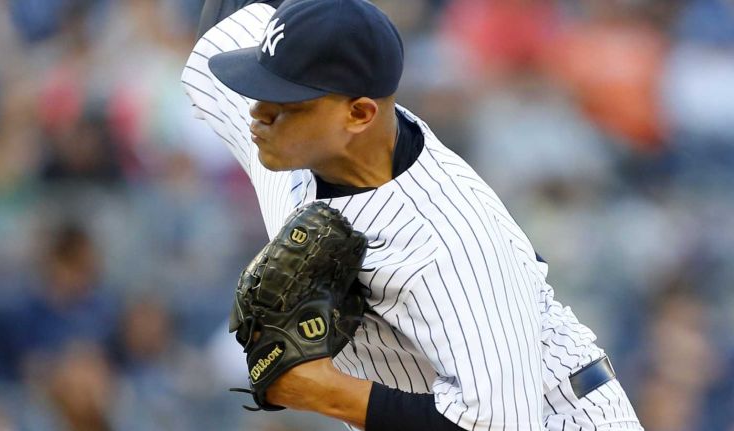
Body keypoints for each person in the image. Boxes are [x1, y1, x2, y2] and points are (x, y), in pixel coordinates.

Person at [182, 0, 644, 429]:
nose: (257, 113)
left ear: (360, 114)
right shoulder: (311, 133)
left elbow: (500, 422)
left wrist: (324, 392)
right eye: (259, 89)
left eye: (283, 105)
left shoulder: (448, 242)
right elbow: (223, 33)